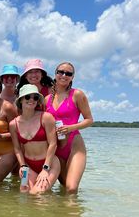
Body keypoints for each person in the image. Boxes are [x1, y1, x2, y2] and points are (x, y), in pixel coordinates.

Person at [45, 62, 93, 193]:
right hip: (56, 146)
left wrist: (71, 128)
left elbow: (89, 120)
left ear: (72, 77)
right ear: (55, 74)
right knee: (64, 187)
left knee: (71, 188)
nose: (64, 75)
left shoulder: (77, 94)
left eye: (68, 73)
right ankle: (64, 213)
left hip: (74, 144)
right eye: (60, 72)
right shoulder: (47, 99)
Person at [9, 84, 60, 194]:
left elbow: (53, 144)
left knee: (37, 193)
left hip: (49, 164)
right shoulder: (13, 124)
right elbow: (17, 149)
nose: (31, 100)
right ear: (21, 100)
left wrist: (45, 169)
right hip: (28, 166)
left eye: (35, 97)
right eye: (28, 97)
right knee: (24, 192)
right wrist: (22, 166)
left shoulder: (46, 117)